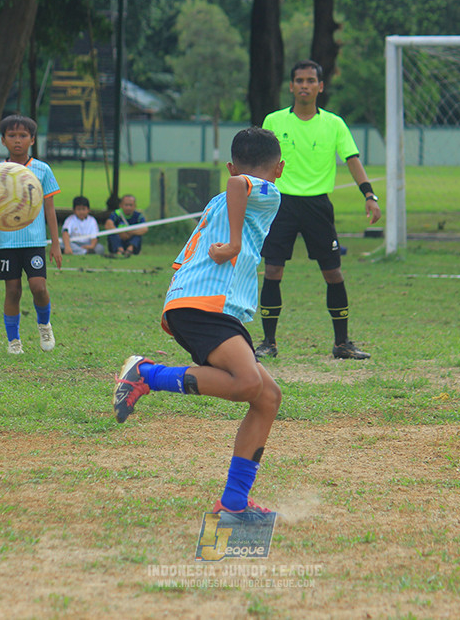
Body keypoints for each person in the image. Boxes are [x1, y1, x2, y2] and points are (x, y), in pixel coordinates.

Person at [112, 126, 283, 518]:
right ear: (280, 168)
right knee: (247, 383)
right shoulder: (267, 191)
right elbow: (240, 183)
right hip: (208, 303)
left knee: (267, 397)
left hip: (200, 303)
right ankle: (147, 374)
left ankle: (234, 502)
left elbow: (232, 189)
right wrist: (237, 243)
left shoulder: (216, 203)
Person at [256, 59, 381, 361]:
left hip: (318, 206)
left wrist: (369, 195)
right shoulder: (273, 121)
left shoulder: (335, 123)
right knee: (273, 270)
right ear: (291, 86)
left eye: (311, 81)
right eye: (299, 80)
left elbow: (352, 159)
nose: (305, 86)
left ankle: (342, 344)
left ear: (320, 87)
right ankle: (268, 343)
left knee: (333, 273)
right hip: (281, 204)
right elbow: (260, 161)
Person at [0, 114, 63, 354]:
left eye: (22, 136)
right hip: (7, 242)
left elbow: (49, 209)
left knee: (38, 287)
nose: (17, 140)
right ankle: (14, 341)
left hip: (35, 241)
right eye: (12, 136)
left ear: (32, 139)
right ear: (3, 141)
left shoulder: (42, 170)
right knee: (13, 290)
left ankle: (44, 325)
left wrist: (55, 243)